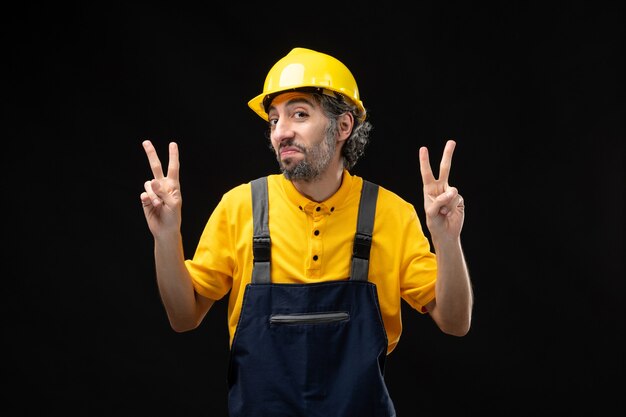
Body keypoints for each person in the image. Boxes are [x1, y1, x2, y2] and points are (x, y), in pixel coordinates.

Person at [140, 47, 473, 417]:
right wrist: (166, 236)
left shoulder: (391, 214)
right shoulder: (241, 207)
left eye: (299, 114)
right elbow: (183, 317)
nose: (281, 132)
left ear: (343, 126)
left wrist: (448, 241)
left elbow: (455, 321)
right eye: (273, 120)